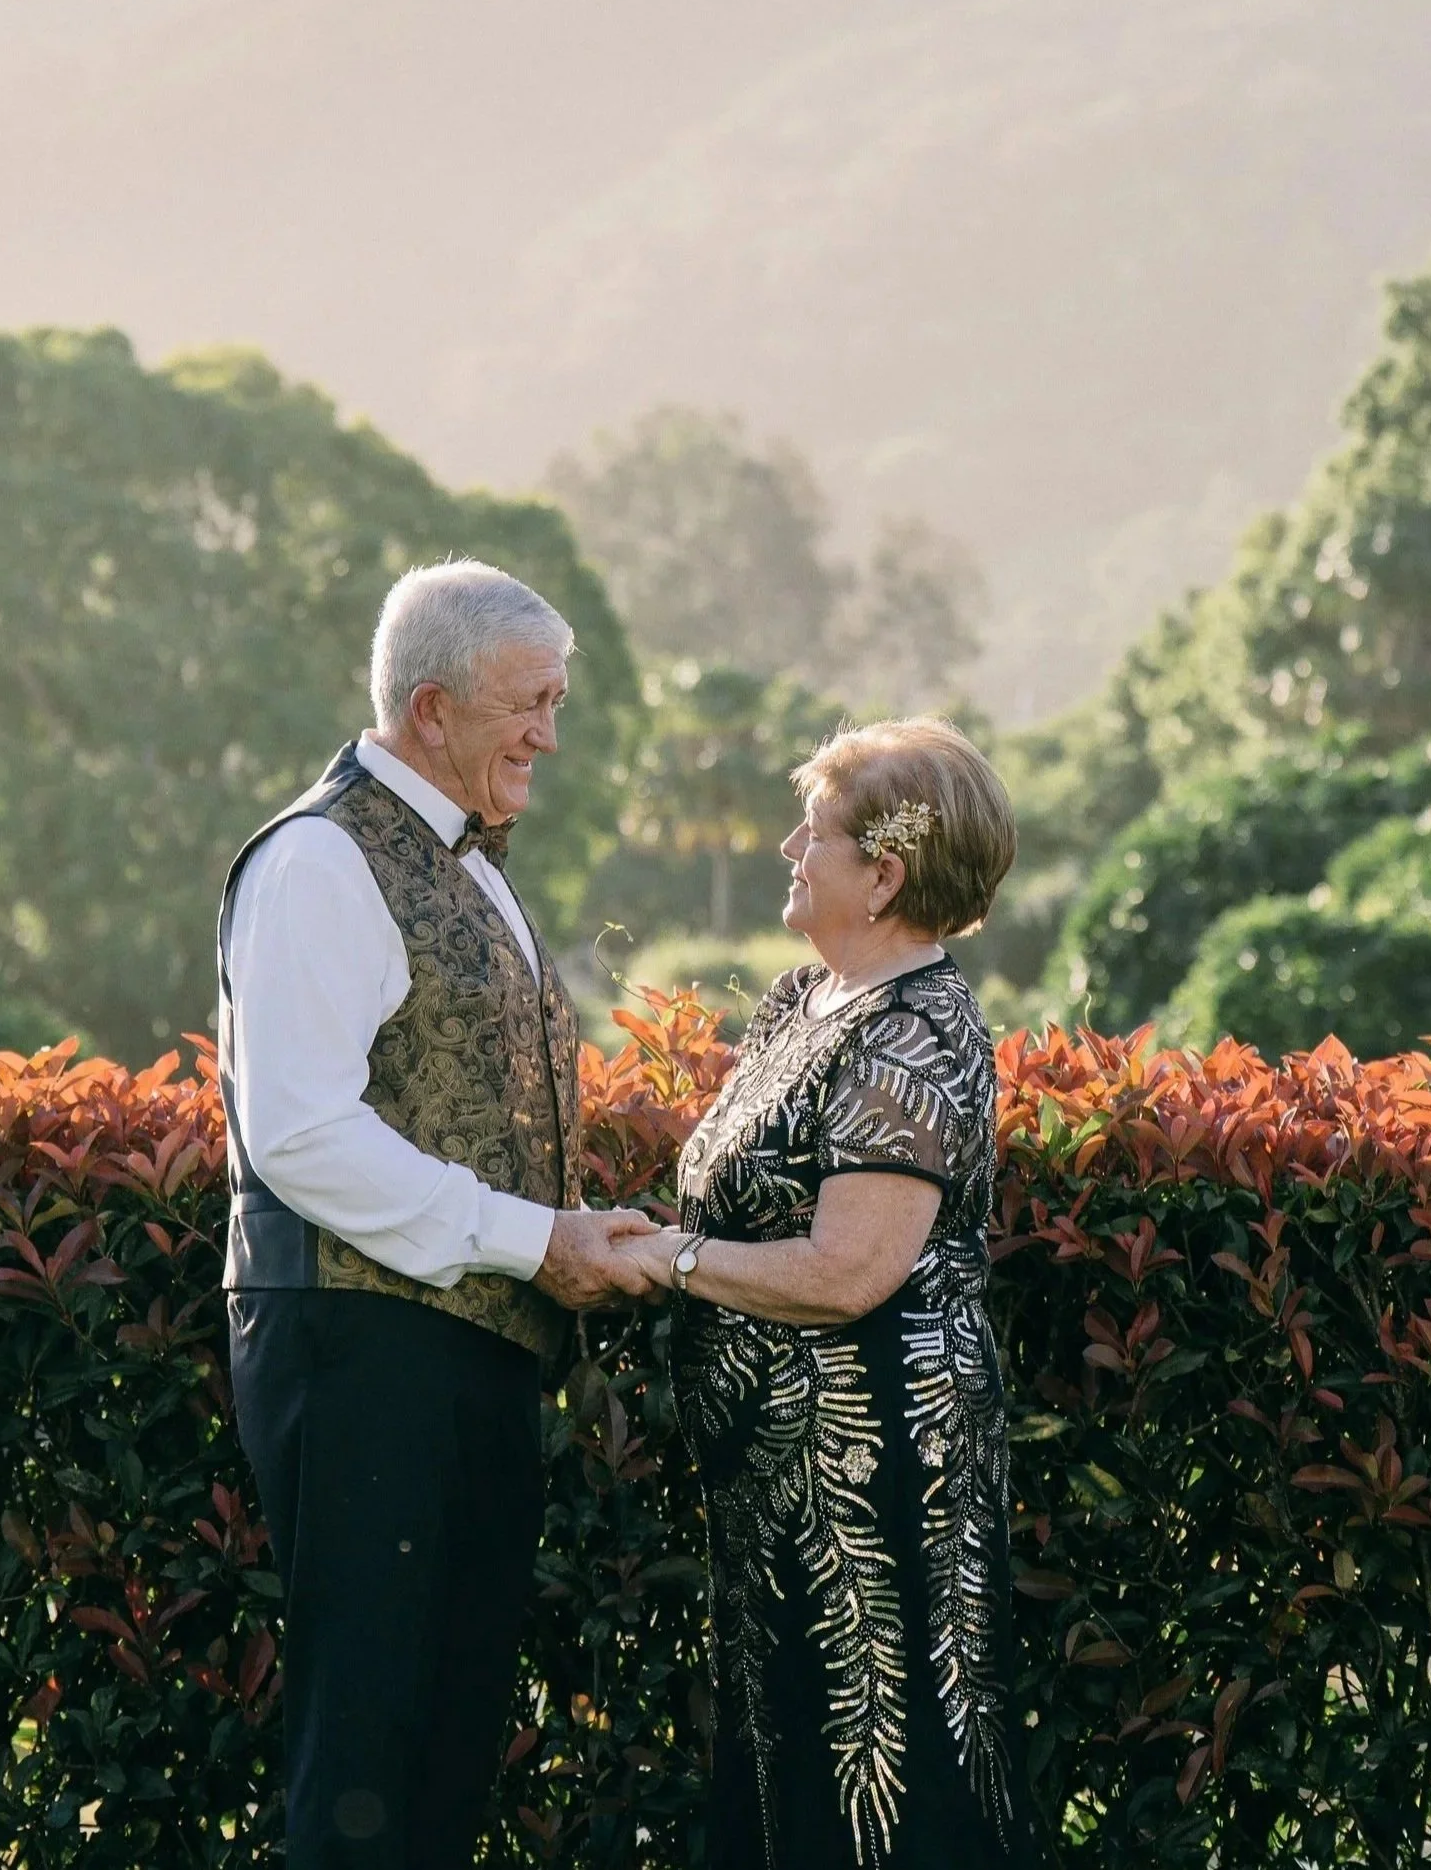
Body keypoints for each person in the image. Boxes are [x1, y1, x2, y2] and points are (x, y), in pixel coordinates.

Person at [216, 561, 656, 1869]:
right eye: (527, 704)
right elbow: (296, 1131)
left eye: (555, 702)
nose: (548, 735)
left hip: (464, 1346)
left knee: (446, 1736)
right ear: (428, 705)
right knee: (368, 1741)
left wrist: (571, 1233)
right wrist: (536, 1240)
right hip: (358, 1350)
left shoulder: (474, 865)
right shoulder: (317, 860)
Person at [616, 717, 1043, 1870]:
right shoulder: (802, 997)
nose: (786, 851)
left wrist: (677, 1263)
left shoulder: (915, 1032)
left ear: (886, 873)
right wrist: (657, 1236)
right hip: (771, 1478)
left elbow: (852, 1268)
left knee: (879, 1762)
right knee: (781, 1761)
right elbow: (743, 1204)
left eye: (813, 834)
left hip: (873, 1479)